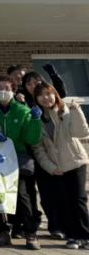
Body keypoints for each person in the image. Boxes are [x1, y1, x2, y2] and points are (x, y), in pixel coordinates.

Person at [0, 75, 43, 250]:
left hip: (16, 158)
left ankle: (31, 233)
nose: (3, 91)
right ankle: (1, 231)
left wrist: (35, 121)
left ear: (14, 90)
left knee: (21, 195)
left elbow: (31, 138)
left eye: (7, 88)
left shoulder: (22, 110)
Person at [32, 81, 89, 250]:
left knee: (78, 200)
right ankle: (72, 236)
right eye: (41, 95)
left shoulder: (65, 111)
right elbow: (38, 149)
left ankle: (85, 235)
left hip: (75, 162)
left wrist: (77, 112)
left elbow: (81, 132)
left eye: (48, 93)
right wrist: (50, 167)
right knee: (64, 202)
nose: (46, 98)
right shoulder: (36, 119)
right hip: (56, 167)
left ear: (54, 94)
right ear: (36, 99)